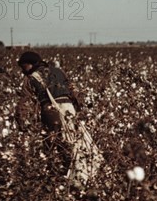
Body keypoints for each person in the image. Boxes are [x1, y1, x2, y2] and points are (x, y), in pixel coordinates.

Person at [15, 51, 102, 188]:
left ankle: (60, 178)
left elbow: (24, 102)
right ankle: (83, 175)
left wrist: (21, 121)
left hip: (51, 111)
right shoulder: (58, 71)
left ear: (30, 64)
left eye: (23, 66)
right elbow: (73, 91)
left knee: (54, 145)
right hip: (69, 109)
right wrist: (80, 108)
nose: (22, 70)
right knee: (77, 142)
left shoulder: (31, 78)